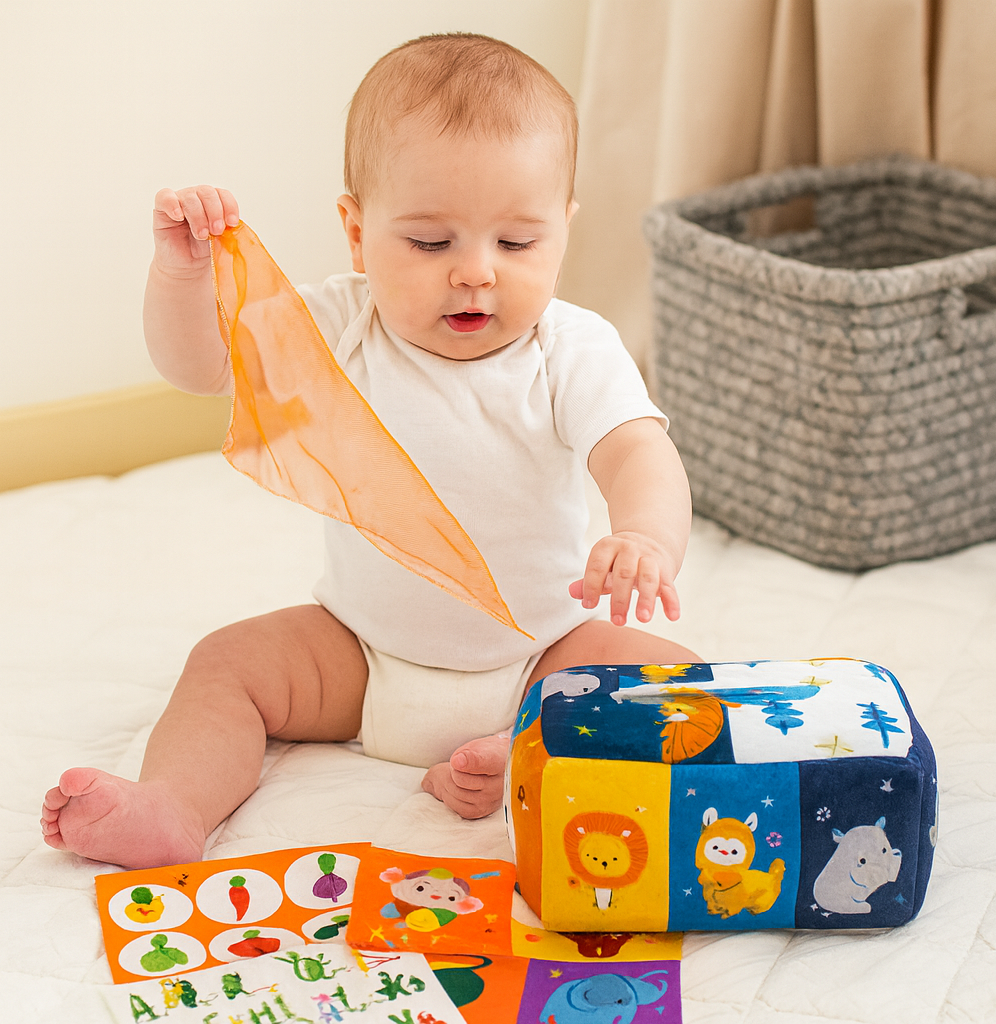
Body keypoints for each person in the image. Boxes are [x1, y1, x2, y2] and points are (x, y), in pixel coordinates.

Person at [41, 33, 697, 870]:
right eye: (431, 243)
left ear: (562, 232)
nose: (475, 273)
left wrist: (646, 537)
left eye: (517, 243)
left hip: (541, 652)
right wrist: (183, 278)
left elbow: (639, 454)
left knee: (670, 676)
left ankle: (523, 753)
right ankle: (174, 806)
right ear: (356, 232)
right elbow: (203, 369)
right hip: (360, 654)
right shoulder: (337, 328)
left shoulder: (571, 347)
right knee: (226, 666)